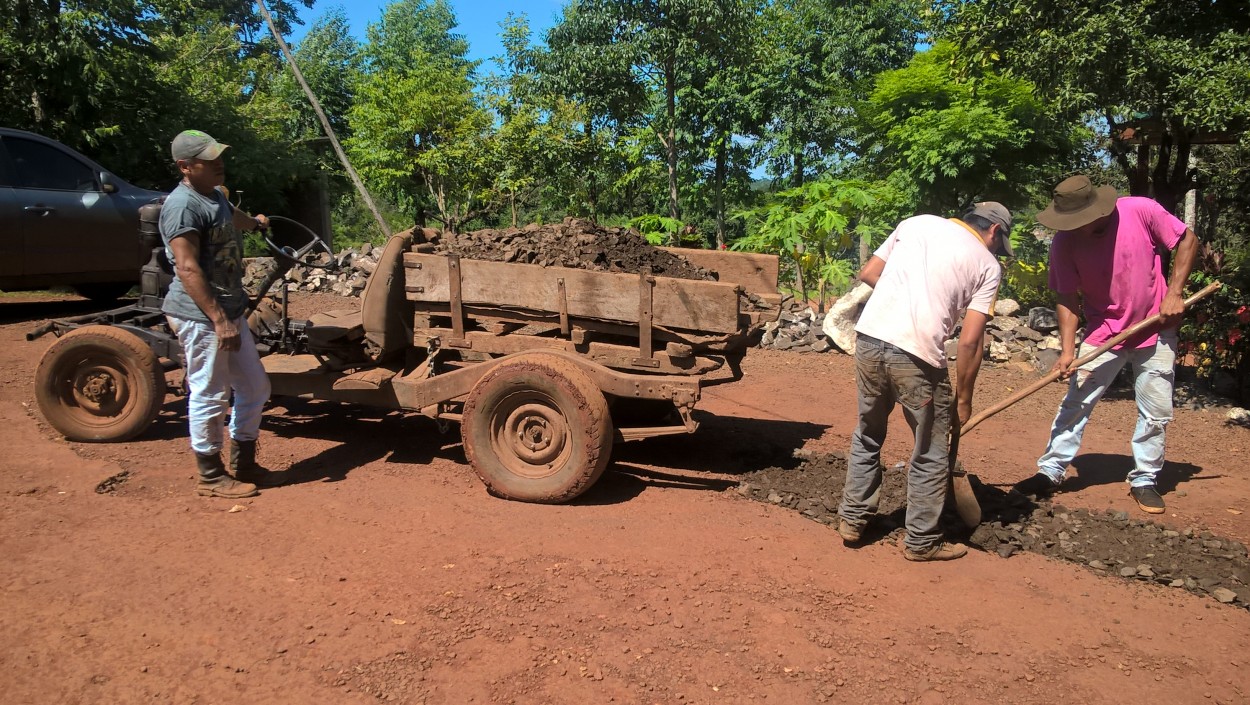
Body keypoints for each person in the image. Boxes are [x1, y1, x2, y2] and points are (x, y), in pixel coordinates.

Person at [837, 203, 1014, 561]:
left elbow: (869, 272)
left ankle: (853, 520)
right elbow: (970, 341)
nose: (998, 249)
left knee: (868, 433)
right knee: (931, 451)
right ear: (994, 231)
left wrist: (909, 296)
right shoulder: (987, 265)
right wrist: (964, 399)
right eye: (1000, 241)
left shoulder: (916, 224)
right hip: (916, 356)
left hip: (869, 339)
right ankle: (920, 541)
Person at [1014, 175, 1198, 514]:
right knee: (1076, 401)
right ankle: (1051, 470)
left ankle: (1144, 479)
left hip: (1155, 327)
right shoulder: (1064, 243)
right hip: (1104, 332)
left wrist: (1174, 293)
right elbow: (1067, 298)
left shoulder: (1141, 211)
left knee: (1155, 411)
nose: (1079, 228)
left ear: (1100, 209)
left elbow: (1187, 239)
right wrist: (1068, 352)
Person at [160, 129, 280, 498]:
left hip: (228, 310)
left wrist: (257, 223)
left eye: (218, 156)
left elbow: (234, 215)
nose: (219, 163)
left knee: (255, 387)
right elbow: (187, 268)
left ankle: (244, 462)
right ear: (185, 166)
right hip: (202, 315)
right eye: (208, 159)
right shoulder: (182, 206)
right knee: (210, 393)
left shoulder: (213, 196)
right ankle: (210, 475)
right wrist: (218, 319)